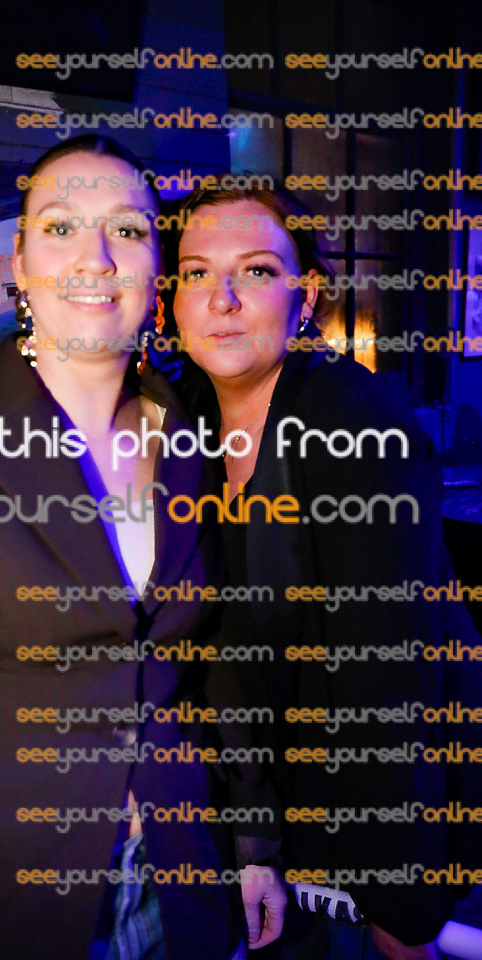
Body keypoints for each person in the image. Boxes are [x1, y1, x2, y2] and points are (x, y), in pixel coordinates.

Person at [0, 138, 284, 960]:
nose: (96, 257)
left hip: (185, 872)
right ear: (19, 262)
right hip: (6, 900)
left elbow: (215, 658)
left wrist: (255, 844)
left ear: (156, 267)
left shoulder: (186, 435)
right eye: (61, 226)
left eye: (127, 229)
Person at [169, 179, 482, 960]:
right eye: (197, 272)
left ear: (305, 296)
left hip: (396, 770)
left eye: (257, 270)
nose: (222, 300)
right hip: (268, 770)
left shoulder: (363, 429)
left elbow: (385, 685)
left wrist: (397, 895)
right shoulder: (178, 422)